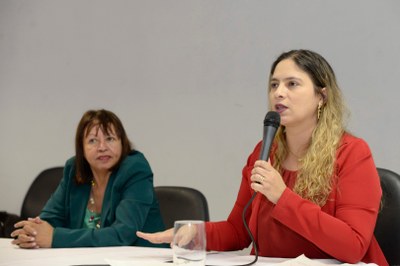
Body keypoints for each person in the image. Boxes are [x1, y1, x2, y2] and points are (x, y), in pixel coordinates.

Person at [137, 49, 388, 265]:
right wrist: (195, 233)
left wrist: (282, 196)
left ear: (321, 96)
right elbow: (238, 232)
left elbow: (353, 245)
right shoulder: (264, 151)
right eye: (274, 84)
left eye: (292, 84)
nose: (279, 93)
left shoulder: (352, 153)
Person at [11, 109, 166, 248]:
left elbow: (124, 233)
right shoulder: (74, 169)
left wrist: (55, 238)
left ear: (122, 143)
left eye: (110, 139)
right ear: (82, 148)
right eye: (93, 140)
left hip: (140, 260)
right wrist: (33, 233)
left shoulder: (134, 169)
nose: (102, 147)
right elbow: (50, 219)